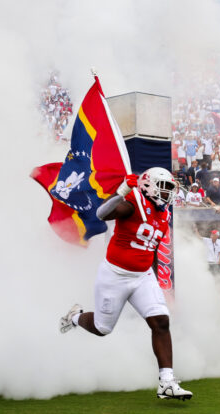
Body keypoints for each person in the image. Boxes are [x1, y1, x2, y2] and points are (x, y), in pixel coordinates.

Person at [59, 167, 192, 401]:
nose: (168, 193)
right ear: (149, 185)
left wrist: (151, 277)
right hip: (115, 275)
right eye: (165, 187)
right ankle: (75, 317)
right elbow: (102, 213)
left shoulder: (163, 213)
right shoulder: (134, 201)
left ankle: (167, 382)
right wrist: (122, 190)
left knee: (161, 321)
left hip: (142, 276)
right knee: (102, 328)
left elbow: (147, 249)